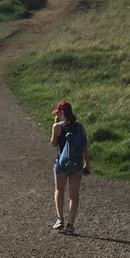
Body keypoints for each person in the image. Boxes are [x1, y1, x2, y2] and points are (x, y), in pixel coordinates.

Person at [50, 99, 89, 234]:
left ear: (61, 113)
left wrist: (55, 125)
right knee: (74, 195)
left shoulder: (57, 127)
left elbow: (54, 143)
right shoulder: (80, 127)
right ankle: (70, 225)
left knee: (59, 190)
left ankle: (60, 219)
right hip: (77, 164)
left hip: (61, 163)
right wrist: (86, 163)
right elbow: (84, 146)